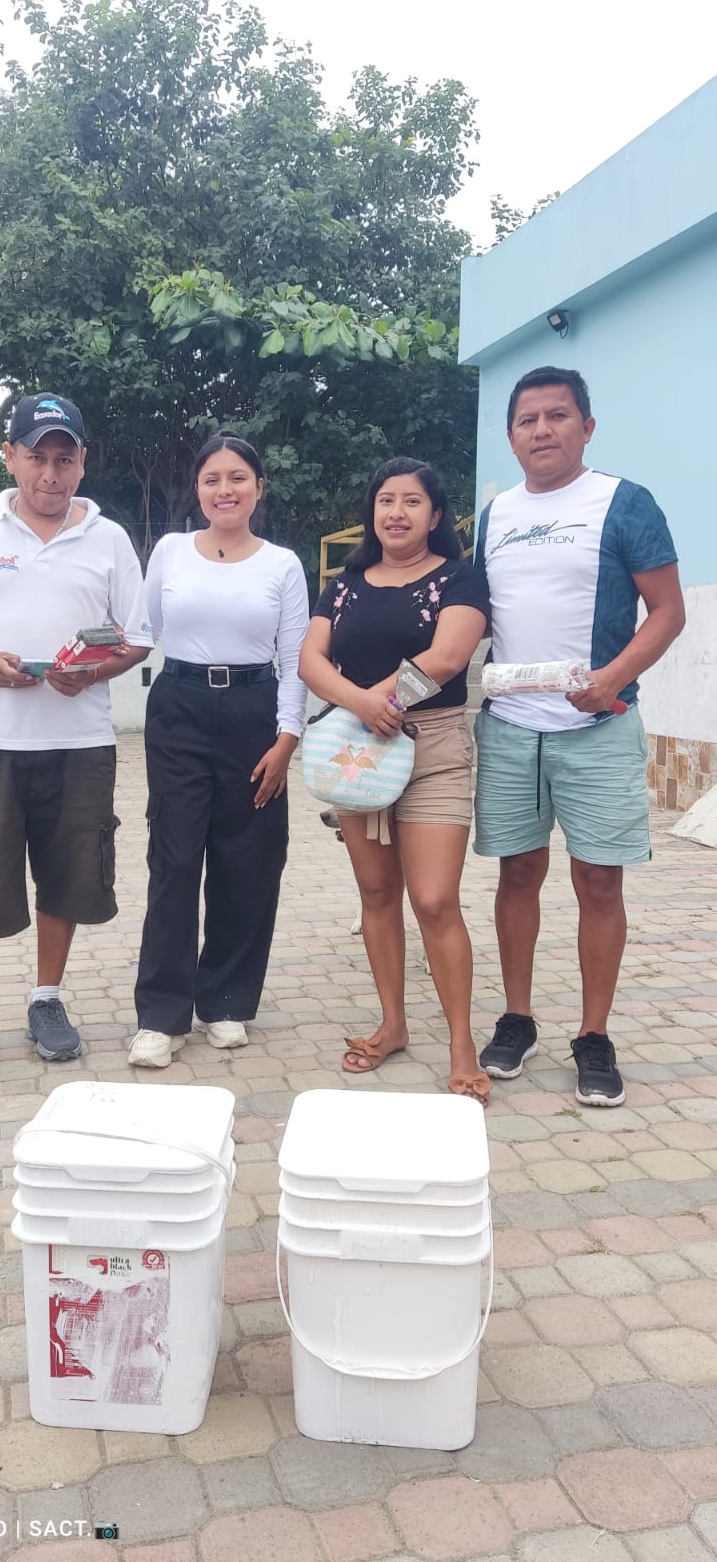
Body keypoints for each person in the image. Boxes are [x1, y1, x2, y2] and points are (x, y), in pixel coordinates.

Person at [0, 393, 152, 1087]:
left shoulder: (108, 539)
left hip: (80, 742)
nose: (50, 473)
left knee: (67, 877)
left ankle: (47, 1000)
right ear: (9, 456)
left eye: (63, 459)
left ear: (82, 463)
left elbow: (137, 637)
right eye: (36, 457)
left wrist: (92, 671)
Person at [473, 366, 685, 1107]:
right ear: (511, 436)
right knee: (517, 874)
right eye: (527, 420)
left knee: (598, 882)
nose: (542, 430)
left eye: (557, 416)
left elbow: (668, 611)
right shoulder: (494, 516)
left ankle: (594, 1035)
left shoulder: (624, 503)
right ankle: (517, 1018)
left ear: (586, 427)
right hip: (510, 729)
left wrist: (613, 676)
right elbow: (473, 616)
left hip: (597, 726)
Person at [298, 457, 490, 1100]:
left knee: (434, 900)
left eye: (412, 501)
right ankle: (393, 1024)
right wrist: (361, 704)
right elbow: (310, 660)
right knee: (377, 892)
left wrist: (379, 700)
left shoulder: (460, 578)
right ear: (371, 512)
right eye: (386, 500)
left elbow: (447, 657)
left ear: (435, 516)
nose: (397, 512)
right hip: (359, 746)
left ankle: (461, 1044)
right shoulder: (345, 584)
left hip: (431, 744)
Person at [129, 432, 309, 1067]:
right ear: (198, 489)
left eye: (238, 478)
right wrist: (81, 660)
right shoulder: (171, 552)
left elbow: (296, 659)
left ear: (259, 488)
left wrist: (287, 739)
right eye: (212, 479)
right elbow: (141, 633)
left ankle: (227, 1001)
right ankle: (161, 1015)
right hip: (178, 708)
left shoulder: (283, 565)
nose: (224, 490)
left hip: (254, 712)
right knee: (174, 860)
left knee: (248, 861)